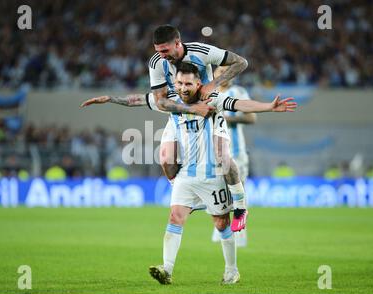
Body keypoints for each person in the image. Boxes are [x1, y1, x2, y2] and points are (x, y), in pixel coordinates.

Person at [84, 62, 297, 284]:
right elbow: (137, 100)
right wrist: (109, 98)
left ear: (198, 83)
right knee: (175, 217)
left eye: (188, 83)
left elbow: (240, 104)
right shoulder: (170, 101)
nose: (183, 88)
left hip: (213, 175)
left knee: (221, 223)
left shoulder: (212, 99)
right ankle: (166, 269)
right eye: (179, 83)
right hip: (186, 174)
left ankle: (232, 270)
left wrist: (268, 107)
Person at [81, 24, 251, 232]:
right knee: (165, 159)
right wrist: (110, 99)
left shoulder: (202, 52)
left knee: (222, 156)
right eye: (157, 50)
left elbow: (241, 62)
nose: (161, 55)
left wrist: (213, 84)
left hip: (209, 109)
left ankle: (241, 207)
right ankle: (183, 191)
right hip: (180, 112)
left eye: (165, 50)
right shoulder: (157, 62)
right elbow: (158, 101)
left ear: (177, 43)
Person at [211, 66, 256, 247]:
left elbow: (251, 118)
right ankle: (219, 232)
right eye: (220, 72)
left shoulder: (237, 92)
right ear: (214, 74)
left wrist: (226, 119)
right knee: (218, 195)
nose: (224, 75)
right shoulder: (210, 93)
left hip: (236, 153)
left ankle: (240, 236)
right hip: (214, 155)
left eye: (228, 72)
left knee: (239, 195)